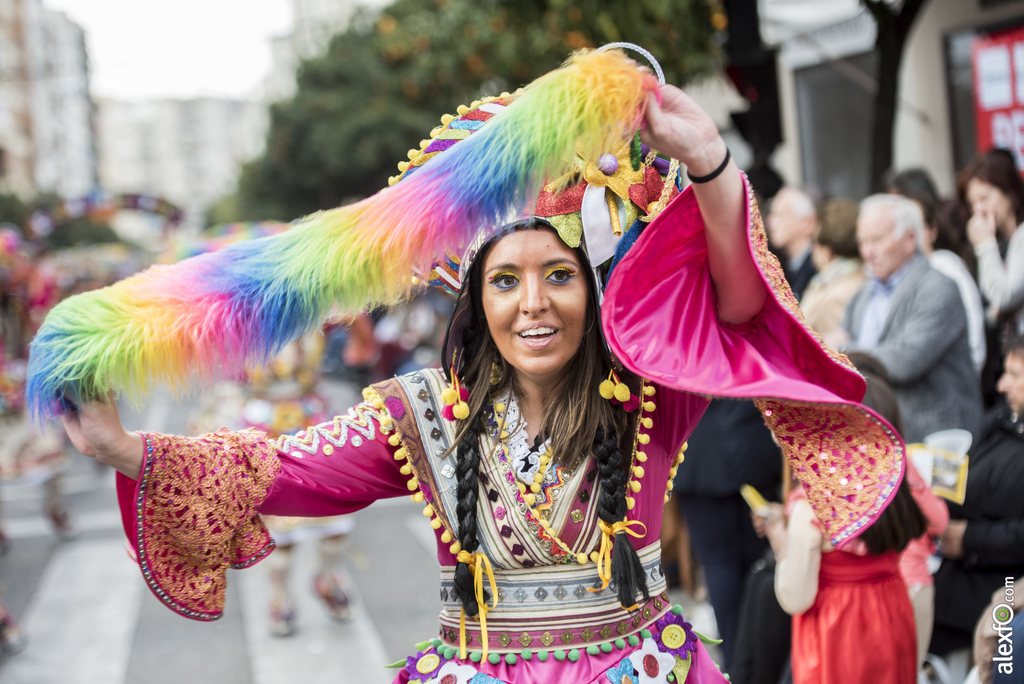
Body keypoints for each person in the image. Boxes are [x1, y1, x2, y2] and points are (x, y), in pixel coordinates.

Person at [29, 49, 907, 684]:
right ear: (475, 301)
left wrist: (709, 162)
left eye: (559, 276)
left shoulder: (646, 391)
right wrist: (125, 449)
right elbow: (280, 468)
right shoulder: (418, 414)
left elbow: (740, 305)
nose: (535, 303)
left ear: (591, 290)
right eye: (508, 281)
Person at [765, 368, 927, 684]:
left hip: (838, 630)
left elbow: (796, 596)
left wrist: (780, 542)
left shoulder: (812, 504)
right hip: (892, 612)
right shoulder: (893, 488)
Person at [839, 193, 983, 442]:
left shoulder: (938, 287)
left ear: (909, 239)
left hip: (933, 437)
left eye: (876, 240)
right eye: (862, 241)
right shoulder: (864, 293)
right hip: (877, 434)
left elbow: (904, 360)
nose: (867, 252)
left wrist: (843, 353)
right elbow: (839, 334)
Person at [931, 334, 1024, 658]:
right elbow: (963, 474)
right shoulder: (1003, 420)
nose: (1001, 385)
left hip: (1006, 582)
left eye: (1014, 375)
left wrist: (972, 539)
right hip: (957, 563)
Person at [889, 168, 986, 375]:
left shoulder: (945, 266)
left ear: (933, 231)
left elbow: (975, 343)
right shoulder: (896, 275)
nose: (909, 238)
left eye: (916, 227)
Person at [961, 149, 1024, 333]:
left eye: (985, 198)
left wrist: (985, 244)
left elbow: (1003, 296)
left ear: (1010, 195)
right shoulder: (1002, 244)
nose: (978, 210)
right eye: (972, 203)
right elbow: (989, 309)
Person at [799, 197, 865, 343]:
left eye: (814, 240)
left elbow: (833, 354)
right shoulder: (856, 275)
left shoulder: (835, 296)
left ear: (826, 250)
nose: (812, 248)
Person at [766, 186, 819, 299]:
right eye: (772, 214)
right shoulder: (786, 267)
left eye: (780, 214)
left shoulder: (817, 268)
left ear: (807, 223)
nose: (771, 222)